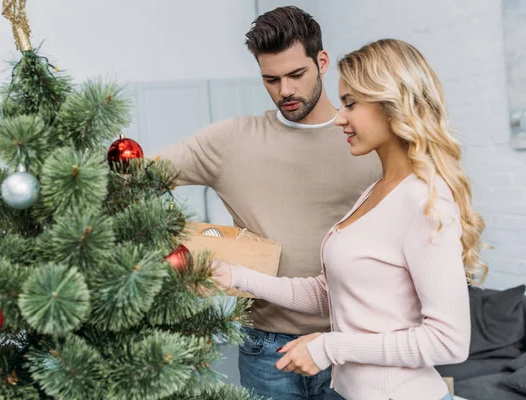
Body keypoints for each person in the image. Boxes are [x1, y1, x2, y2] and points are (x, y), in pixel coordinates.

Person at [211, 38, 488, 400]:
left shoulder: (425, 202)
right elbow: (330, 294)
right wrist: (238, 277)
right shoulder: (375, 191)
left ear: (392, 105)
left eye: (351, 104)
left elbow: (448, 343)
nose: (340, 117)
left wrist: (330, 347)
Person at [150, 6, 381, 400]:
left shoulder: (365, 138)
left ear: (321, 62)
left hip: (352, 343)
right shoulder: (230, 142)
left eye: (296, 75)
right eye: (270, 79)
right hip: (266, 349)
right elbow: (137, 174)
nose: (284, 91)